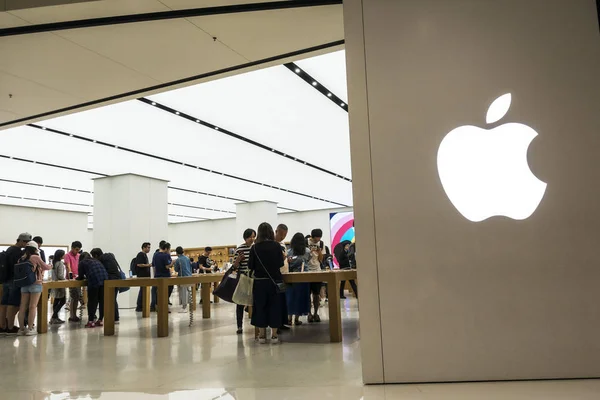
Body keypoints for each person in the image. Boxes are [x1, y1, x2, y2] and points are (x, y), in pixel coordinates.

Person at [249, 222, 284, 344]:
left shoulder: (254, 248)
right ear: (271, 232)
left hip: (259, 283)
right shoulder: (276, 246)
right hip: (274, 281)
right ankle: (274, 335)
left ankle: (262, 335)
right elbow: (280, 263)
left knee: (260, 307)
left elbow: (250, 265)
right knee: (275, 306)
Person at [16, 241, 51, 336]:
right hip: (35, 284)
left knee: (23, 307)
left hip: (24, 284)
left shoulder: (21, 258)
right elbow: (45, 267)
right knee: (32, 306)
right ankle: (30, 328)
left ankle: (21, 329)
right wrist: (50, 265)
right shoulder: (35, 257)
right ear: (35, 249)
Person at [0, 233, 31, 336]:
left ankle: (2, 326)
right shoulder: (18, 252)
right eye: (26, 242)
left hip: (5, 279)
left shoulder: (9, 250)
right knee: (12, 304)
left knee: (4, 303)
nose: (26, 245)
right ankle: (10, 327)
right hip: (14, 280)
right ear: (21, 241)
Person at [232, 228, 256, 334]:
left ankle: (257, 325)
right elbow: (234, 266)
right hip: (243, 278)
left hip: (255, 278)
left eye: (253, 236)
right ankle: (239, 326)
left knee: (255, 302)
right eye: (250, 237)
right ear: (245, 238)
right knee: (240, 302)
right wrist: (237, 261)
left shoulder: (255, 248)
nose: (252, 239)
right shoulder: (239, 249)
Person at [285, 233, 311, 326]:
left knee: (291, 297)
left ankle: (289, 318)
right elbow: (308, 260)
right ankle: (297, 318)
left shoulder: (288, 252)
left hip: (291, 278)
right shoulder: (307, 251)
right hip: (304, 277)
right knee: (301, 297)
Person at [77, 252, 108, 328]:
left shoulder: (82, 262)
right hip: (105, 280)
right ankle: (100, 320)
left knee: (92, 301)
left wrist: (79, 277)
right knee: (102, 301)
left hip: (94, 280)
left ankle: (91, 321)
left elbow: (80, 276)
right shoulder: (96, 260)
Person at [91, 248, 122, 324]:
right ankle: (115, 318)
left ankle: (113, 318)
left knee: (108, 299)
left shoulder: (101, 259)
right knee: (113, 299)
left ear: (96, 255)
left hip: (110, 280)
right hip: (117, 279)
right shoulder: (110, 256)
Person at [274, 224, 290, 331]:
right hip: (276, 276)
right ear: (276, 231)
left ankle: (282, 322)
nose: (283, 237)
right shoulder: (273, 244)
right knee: (277, 301)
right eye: (282, 234)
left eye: (285, 235)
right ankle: (276, 324)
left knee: (283, 299)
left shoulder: (283, 244)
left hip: (284, 274)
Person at [306, 229, 324, 322]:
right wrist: (310, 251)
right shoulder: (306, 242)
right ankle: (309, 314)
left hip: (317, 270)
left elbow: (321, 259)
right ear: (312, 236)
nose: (318, 239)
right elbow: (304, 257)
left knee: (316, 294)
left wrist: (319, 251)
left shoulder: (321, 243)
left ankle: (316, 313)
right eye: (317, 237)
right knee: (307, 294)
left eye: (320, 237)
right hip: (307, 270)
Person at [151, 242, 174, 312]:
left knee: (157, 292)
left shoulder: (155, 255)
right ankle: (164, 307)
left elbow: (153, 266)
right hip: (165, 276)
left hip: (157, 276)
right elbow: (167, 266)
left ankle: (156, 306)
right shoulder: (165, 255)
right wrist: (172, 262)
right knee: (167, 291)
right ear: (166, 248)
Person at [64, 240, 83, 323]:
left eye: (78, 250)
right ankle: (72, 316)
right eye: (76, 249)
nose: (77, 251)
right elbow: (68, 267)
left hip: (78, 278)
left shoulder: (79, 255)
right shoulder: (67, 255)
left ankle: (74, 315)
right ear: (72, 248)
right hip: (71, 279)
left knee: (77, 297)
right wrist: (71, 277)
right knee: (73, 297)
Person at [50, 249, 67, 324]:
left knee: (56, 301)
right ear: (61, 255)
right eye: (64, 254)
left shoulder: (54, 262)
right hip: (60, 284)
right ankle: (54, 316)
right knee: (63, 301)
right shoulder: (60, 263)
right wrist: (65, 280)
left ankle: (55, 317)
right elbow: (60, 275)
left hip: (54, 283)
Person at [134, 242, 152, 312]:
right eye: (148, 247)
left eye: (149, 247)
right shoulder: (140, 254)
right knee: (142, 291)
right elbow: (139, 264)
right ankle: (139, 306)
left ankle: (142, 305)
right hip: (142, 276)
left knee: (144, 291)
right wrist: (148, 265)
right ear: (144, 247)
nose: (149, 249)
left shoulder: (144, 255)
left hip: (145, 276)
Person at [174, 246, 192, 313]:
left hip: (182, 277)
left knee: (183, 292)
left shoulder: (178, 260)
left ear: (176, 252)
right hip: (189, 276)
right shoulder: (187, 258)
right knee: (188, 292)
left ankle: (184, 307)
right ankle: (188, 306)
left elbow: (176, 269)